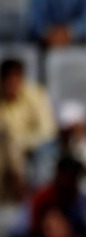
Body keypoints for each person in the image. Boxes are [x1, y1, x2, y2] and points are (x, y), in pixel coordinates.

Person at [0, 58, 56, 201]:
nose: (12, 85)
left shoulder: (35, 94)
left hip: (35, 149)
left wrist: (22, 143)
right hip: (9, 153)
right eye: (8, 81)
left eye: (16, 80)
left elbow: (47, 130)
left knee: (44, 152)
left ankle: (39, 198)